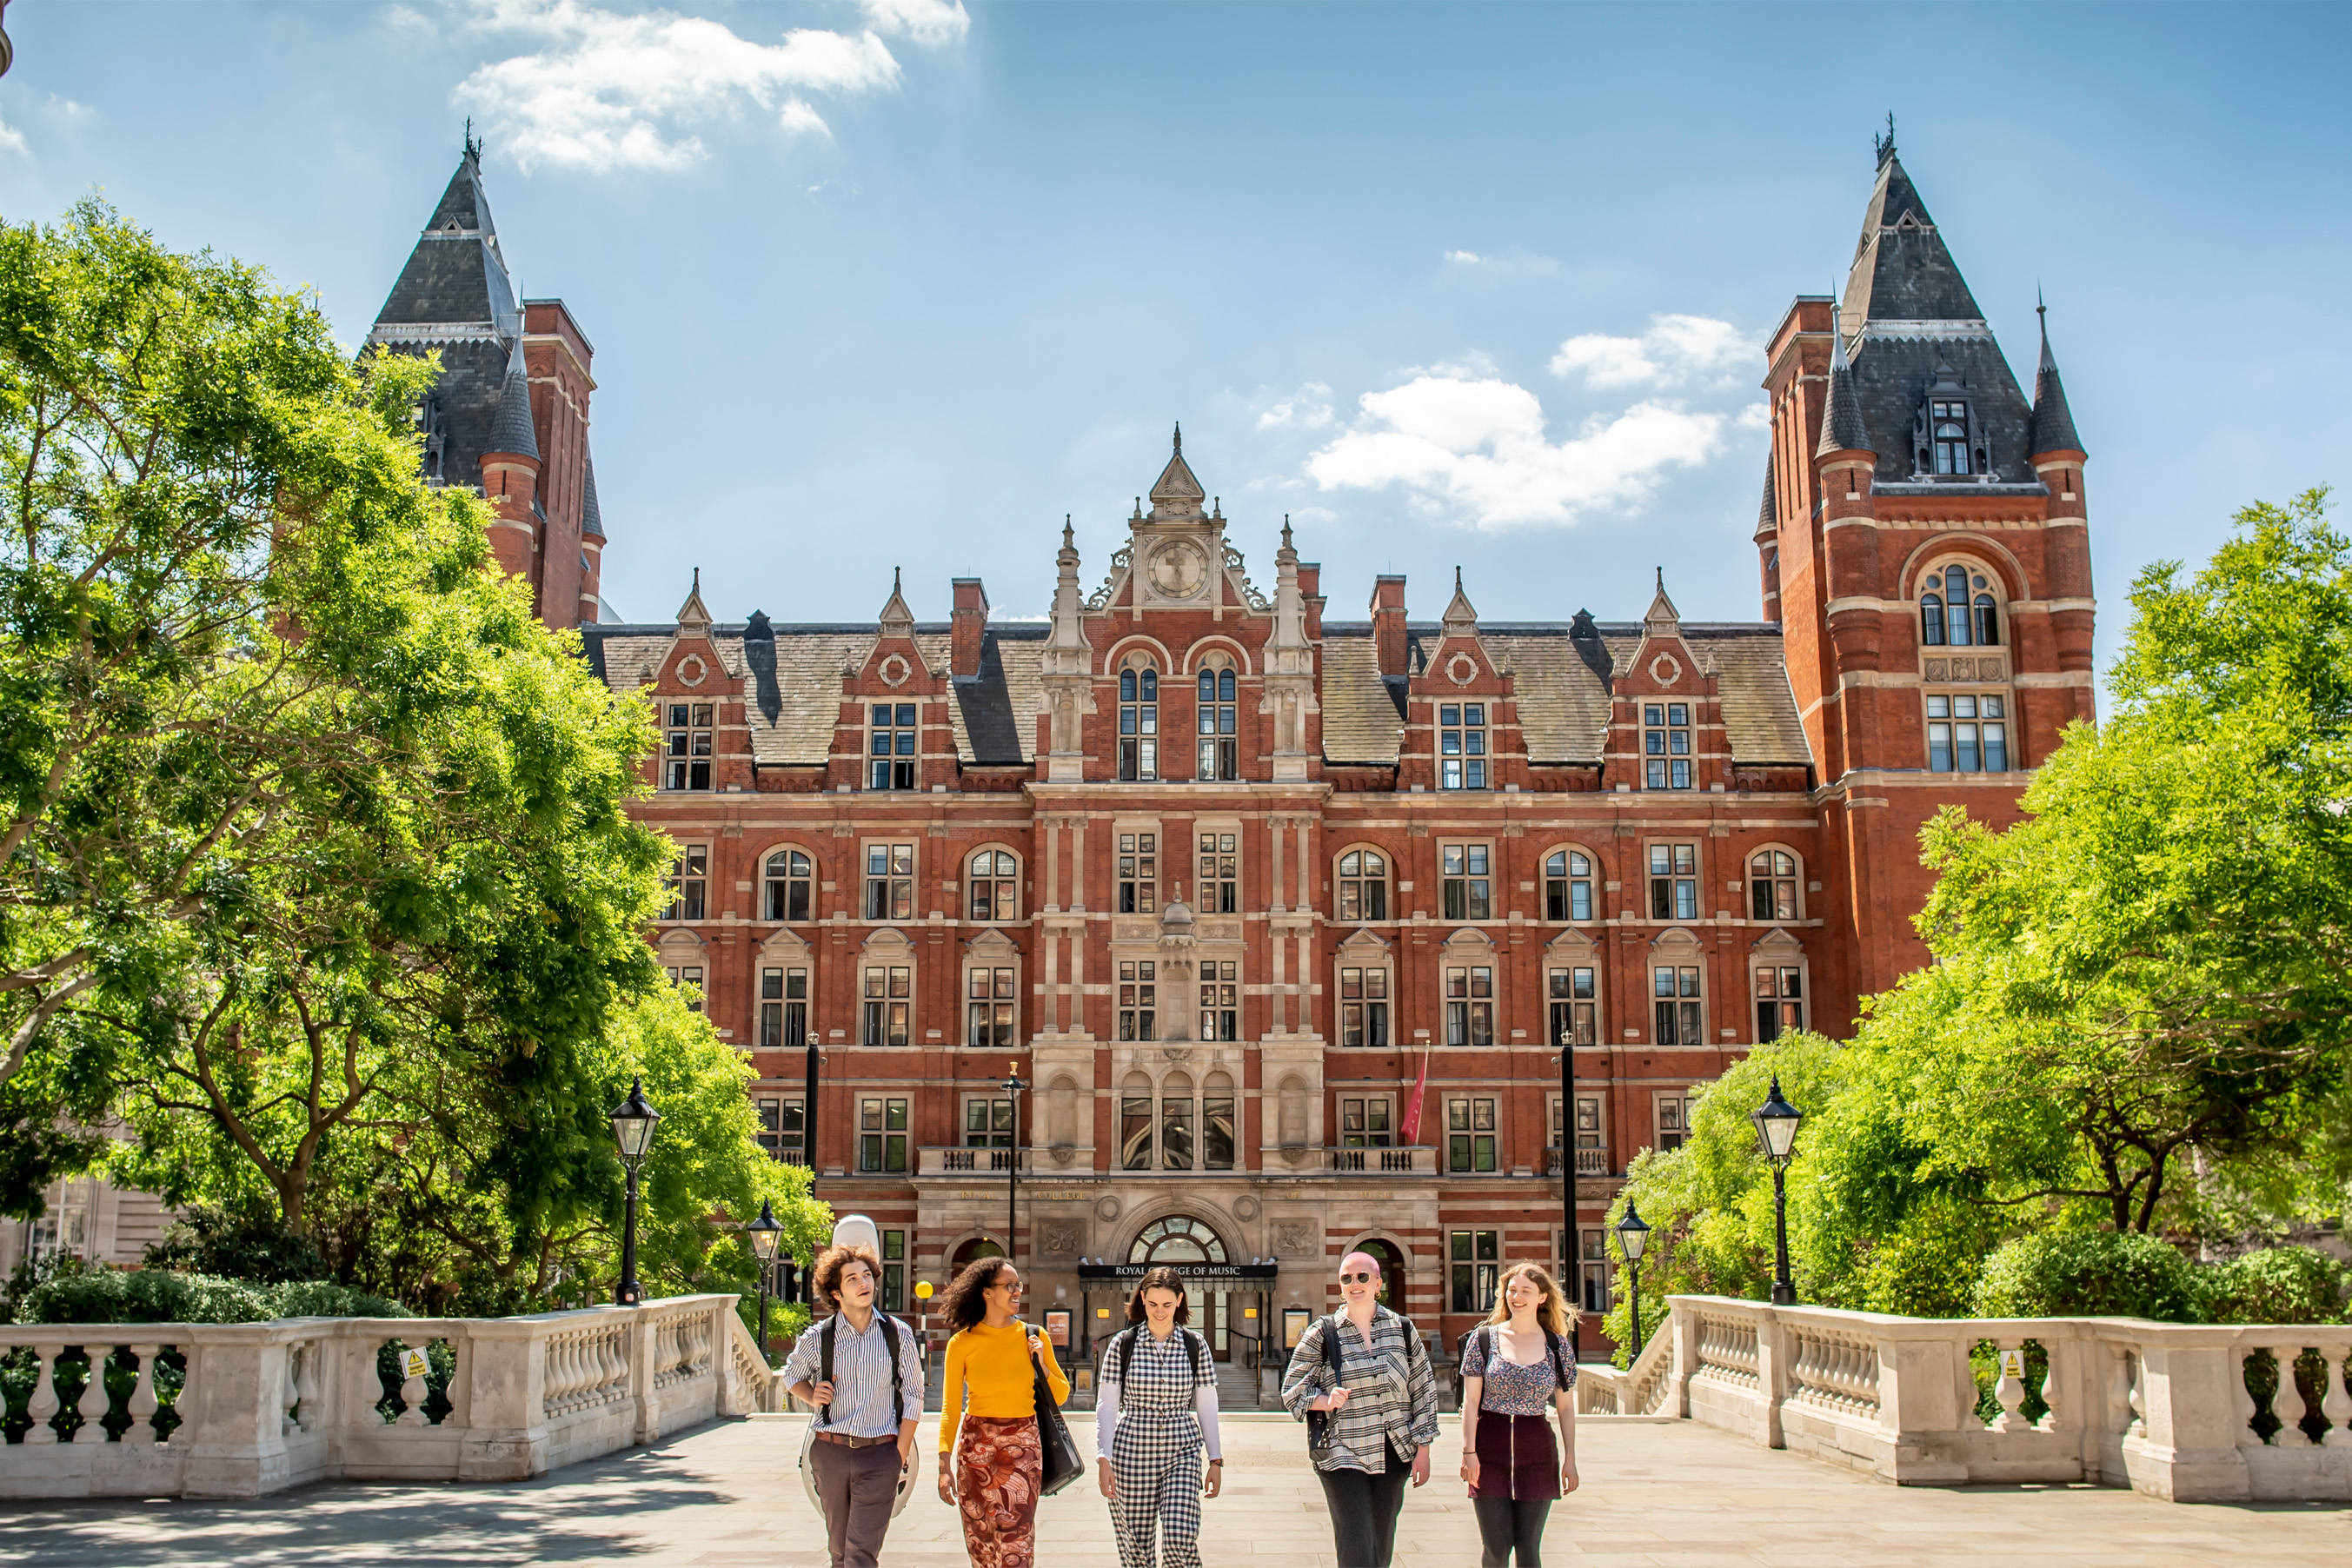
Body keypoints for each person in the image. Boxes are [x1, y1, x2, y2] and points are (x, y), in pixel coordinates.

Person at [1279, 1250, 1439, 1568]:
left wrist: (1423, 1448)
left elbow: (1423, 1389)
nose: (1355, 1283)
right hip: (1342, 1451)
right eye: (1346, 1278)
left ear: (1378, 1283)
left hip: (1394, 1450)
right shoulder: (1323, 1333)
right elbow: (1292, 1390)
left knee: (1381, 1543)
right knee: (1355, 1542)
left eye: (1362, 1276)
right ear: (1339, 1287)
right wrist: (1326, 1401)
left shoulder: (1403, 1330)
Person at [782, 1243, 925, 1568]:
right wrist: (810, 1394)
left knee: (861, 1552)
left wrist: (898, 1454)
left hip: (880, 1455)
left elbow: (915, 1395)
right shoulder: (820, 1337)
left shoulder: (897, 1333)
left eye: (867, 1276)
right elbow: (792, 1374)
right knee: (839, 1550)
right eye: (852, 1279)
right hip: (830, 1452)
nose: (864, 1284)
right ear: (835, 1292)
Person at [936, 1256, 1071, 1568]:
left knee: (1017, 1542)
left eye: (1018, 1285)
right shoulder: (962, 1343)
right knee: (981, 1542)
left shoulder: (1034, 1336)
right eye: (1008, 1286)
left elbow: (1061, 1395)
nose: (1016, 1291)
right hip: (975, 1450)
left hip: (1022, 1449)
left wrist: (1041, 1363)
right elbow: (950, 1407)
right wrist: (944, 1464)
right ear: (986, 1292)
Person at [1095, 1266, 1223, 1568]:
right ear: (1142, 1298)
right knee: (1136, 1548)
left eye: (1167, 1304)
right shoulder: (1122, 1344)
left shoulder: (1196, 1345)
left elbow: (1206, 1404)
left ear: (1179, 1300)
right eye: (1152, 1304)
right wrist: (1104, 1458)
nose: (1159, 1312)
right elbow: (1107, 1405)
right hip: (1131, 1452)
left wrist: (1215, 1460)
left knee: (1181, 1537)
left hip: (1182, 1450)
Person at [1458, 1262, 1581, 1568]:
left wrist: (1571, 1460)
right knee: (1496, 1549)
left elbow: (1565, 1407)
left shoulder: (1557, 1346)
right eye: (1512, 1290)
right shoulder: (1483, 1340)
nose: (1517, 1296)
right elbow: (1470, 1402)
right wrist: (1468, 1452)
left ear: (1542, 1297)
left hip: (1537, 1452)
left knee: (1528, 1550)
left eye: (1526, 1291)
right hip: (1489, 1450)